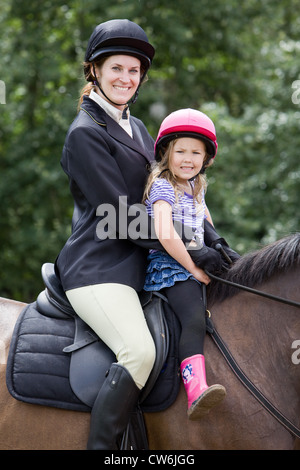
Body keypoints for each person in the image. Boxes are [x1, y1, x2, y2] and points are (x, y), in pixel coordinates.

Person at [143, 108, 227, 420]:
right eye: (181, 151)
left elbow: (206, 222)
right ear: (167, 153)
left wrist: (220, 248)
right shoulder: (163, 185)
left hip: (193, 258)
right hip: (170, 265)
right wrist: (192, 268)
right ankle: (195, 389)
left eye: (196, 152)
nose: (187, 159)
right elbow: (164, 232)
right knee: (193, 317)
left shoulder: (196, 186)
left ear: (206, 159)